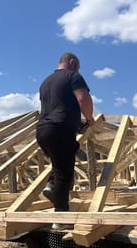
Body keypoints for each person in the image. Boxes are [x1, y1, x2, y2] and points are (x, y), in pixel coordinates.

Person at [36, 52, 95, 229]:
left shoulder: (45, 82)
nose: (78, 69)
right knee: (65, 173)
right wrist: (89, 118)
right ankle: (60, 218)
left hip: (42, 130)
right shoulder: (73, 75)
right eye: (77, 65)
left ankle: (50, 186)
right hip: (60, 128)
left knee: (59, 163)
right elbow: (83, 98)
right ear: (71, 63)